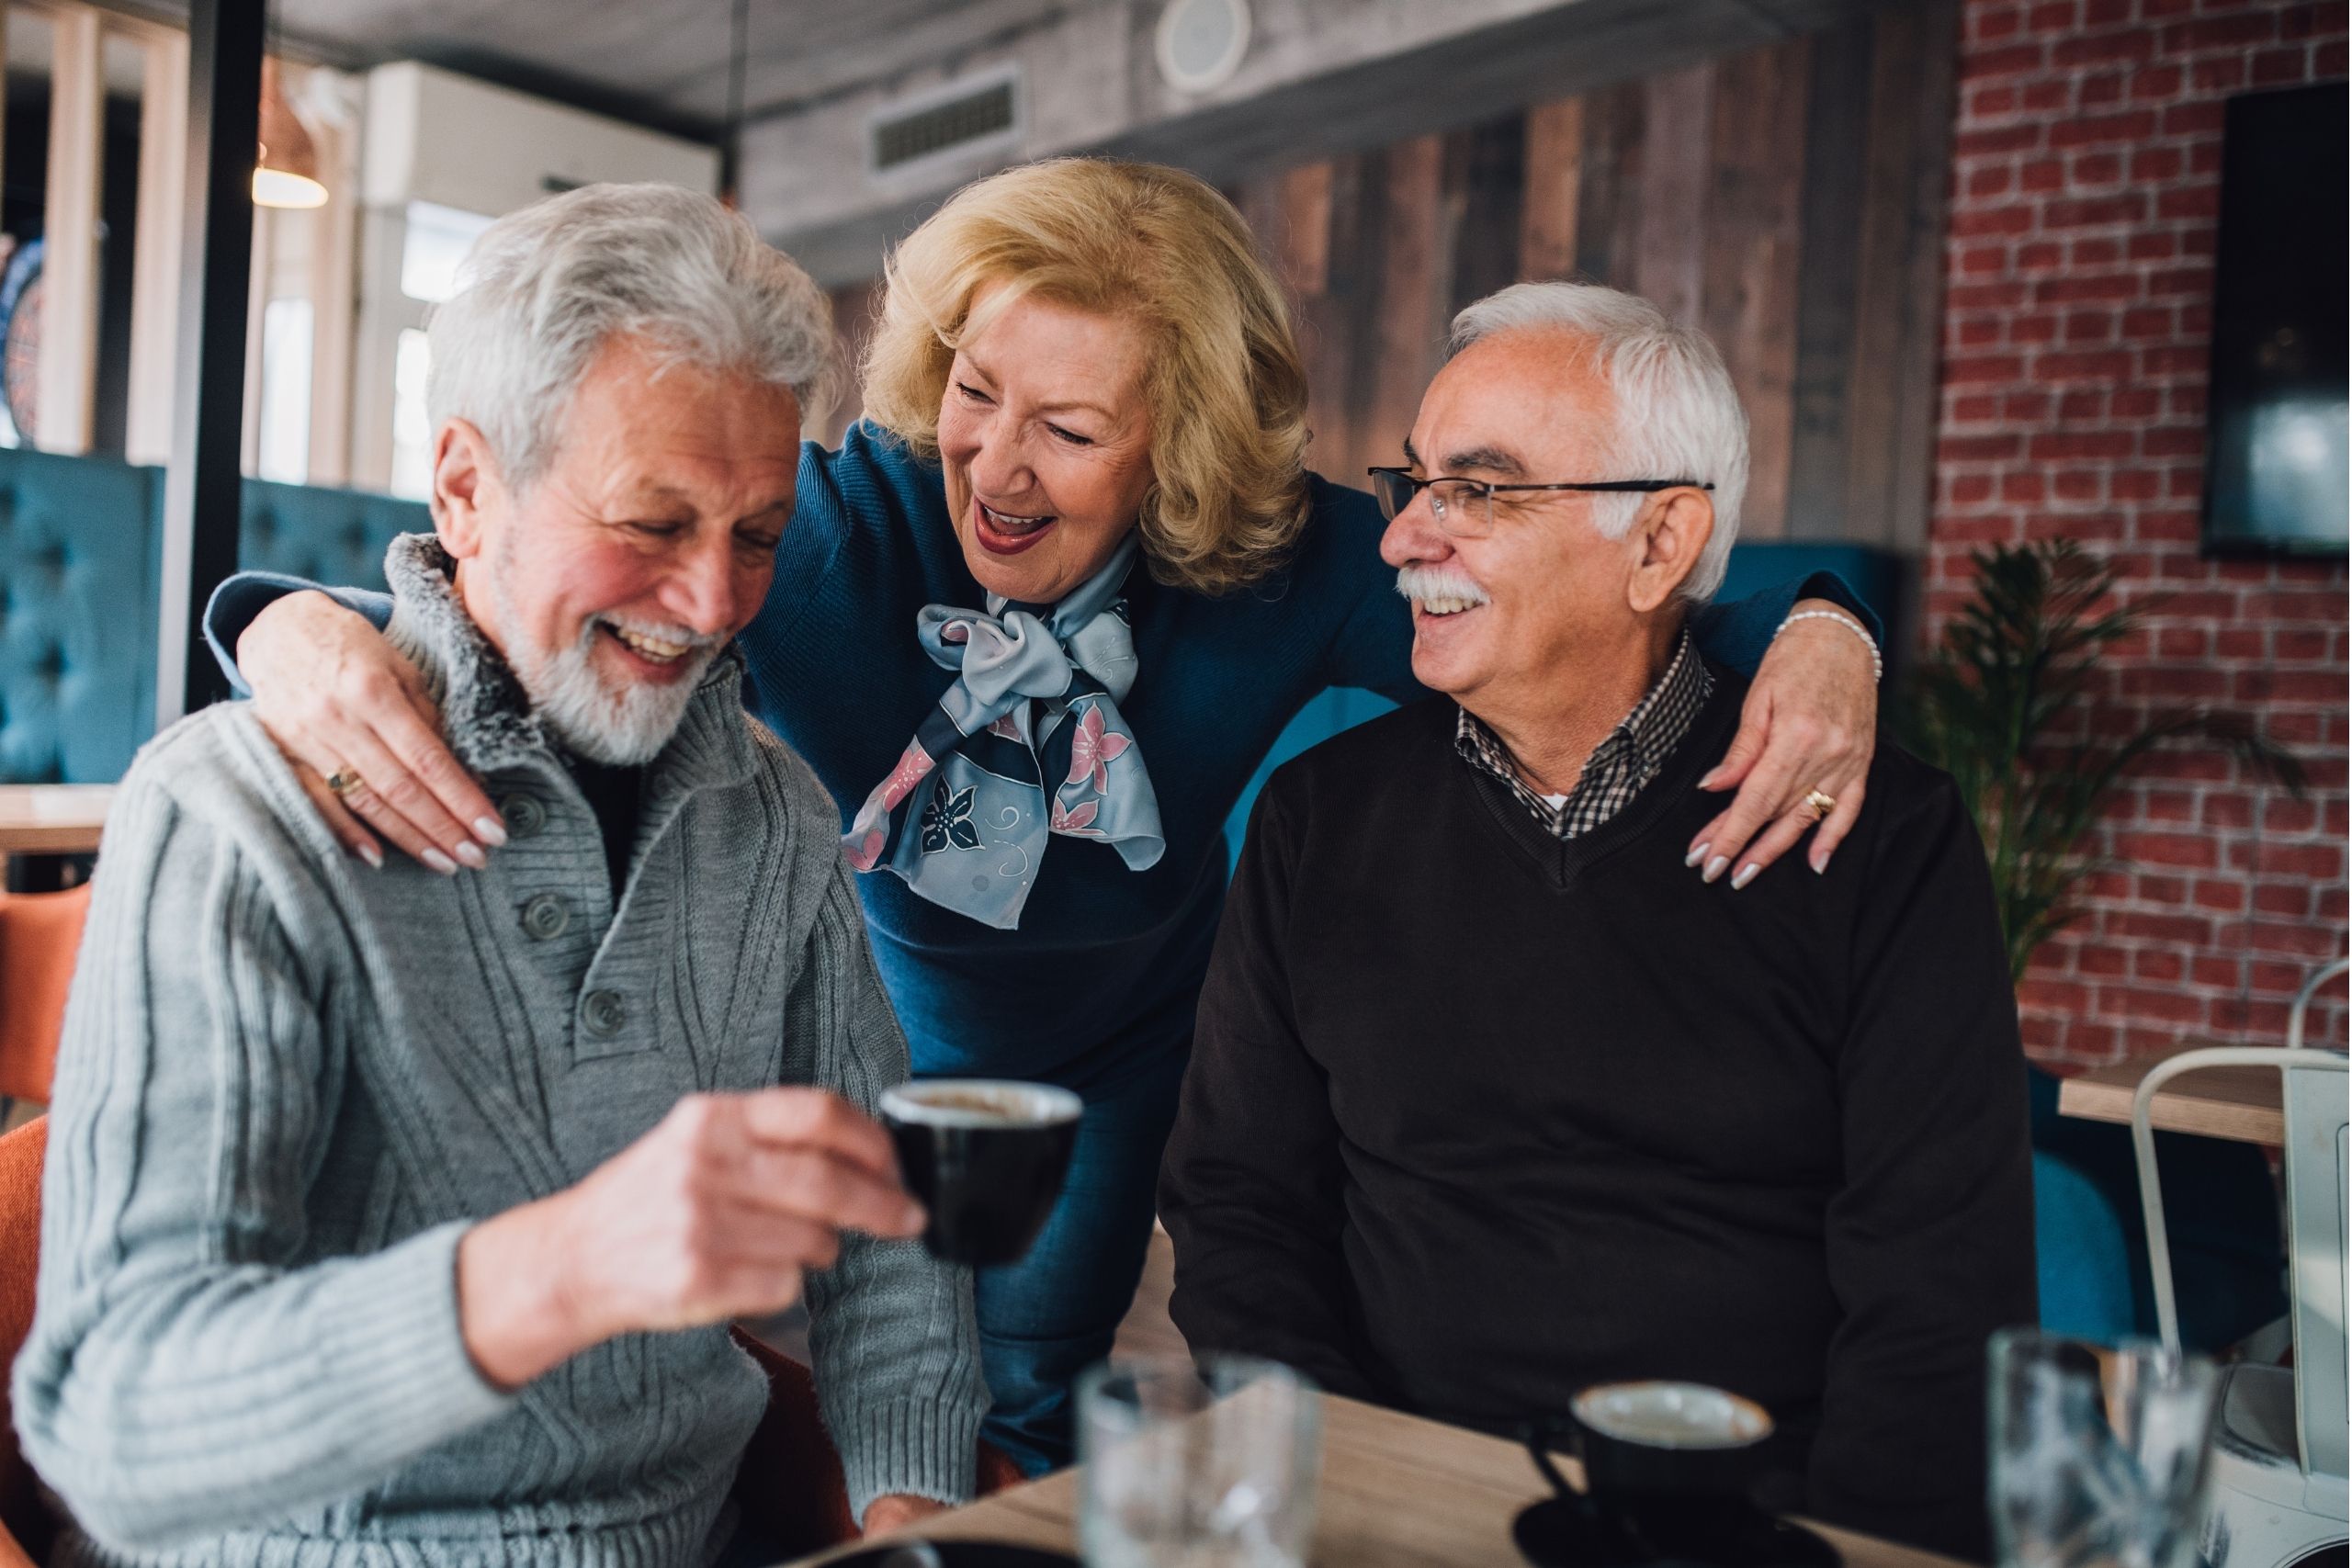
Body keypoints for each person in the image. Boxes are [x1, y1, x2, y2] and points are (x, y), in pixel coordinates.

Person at [202, 160, 1889, 1472]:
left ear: (1178, 452)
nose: (996, 466)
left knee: (1025, 1396)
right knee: (800, 1379)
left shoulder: (1286, 566)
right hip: (869, 1027)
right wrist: (277, 625)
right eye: (976, 392)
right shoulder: (839, 530)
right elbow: (506, 574)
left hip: (1113, 1063)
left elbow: (1588, 599)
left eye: (1071, 430)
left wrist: (1827, 629)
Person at [16, 186, 987, 1568]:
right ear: (467, 491)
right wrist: (565, 1266)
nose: (714, 605)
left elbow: (895, 1241)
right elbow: (115, 1428)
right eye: (653, 523)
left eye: (758, 535)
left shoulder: (772, 816)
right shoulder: (233, 809)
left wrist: (912, 1511)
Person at [1159, 282, 2036, 1560]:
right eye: (1415, 486)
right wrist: (1336, 1486)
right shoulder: (1316, 820)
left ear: (1662, 542)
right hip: (1393, 1503)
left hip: (1753, 1530)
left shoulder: (1880, 838)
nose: (1406, 539)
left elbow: (1942, 1297)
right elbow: (1239, 1209)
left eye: (1483, 490)